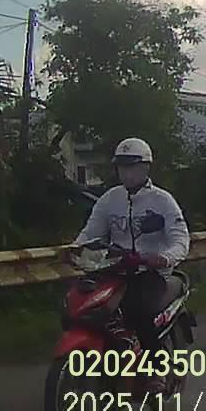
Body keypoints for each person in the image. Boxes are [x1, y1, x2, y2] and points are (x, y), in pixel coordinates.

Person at [69, 137, 189, 394]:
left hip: (150, 273)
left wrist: (164, 257)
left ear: (146, 167)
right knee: (83, 305)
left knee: (137, 311)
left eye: (132, 166)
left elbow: (180, 239)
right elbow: (91, 232)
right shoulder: (110, 199)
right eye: (122, 166)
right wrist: (75, 248)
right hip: (113, 270)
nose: (126, 172)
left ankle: (157, 369)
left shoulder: (162, 201)